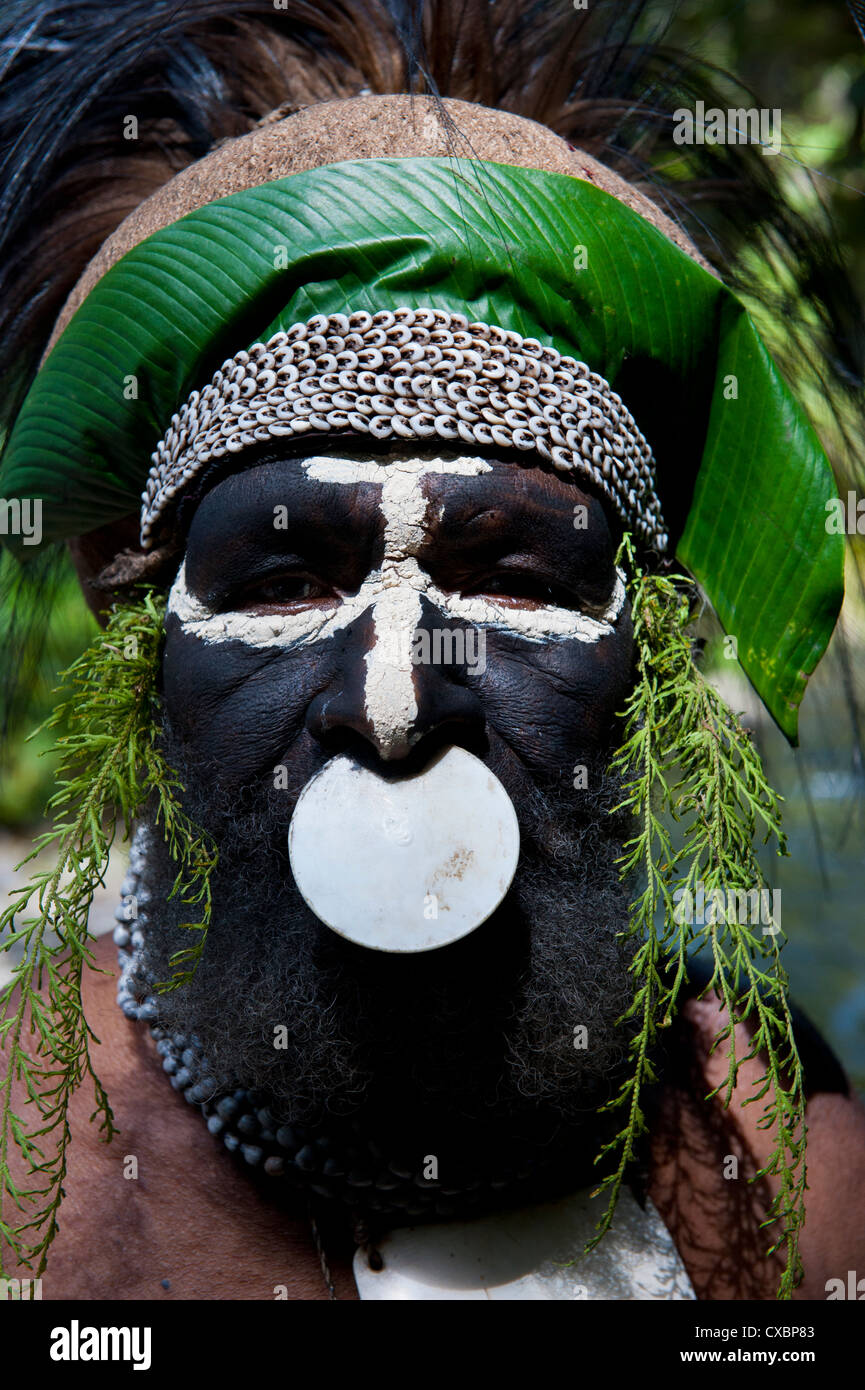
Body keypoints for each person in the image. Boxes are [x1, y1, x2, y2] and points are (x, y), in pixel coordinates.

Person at [1, 0, 864, 1302]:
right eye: (286, 581)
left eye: (507, 575)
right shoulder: (30, 1161)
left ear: (653, 660)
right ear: (146, 651)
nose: (392, 701)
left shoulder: (791, 1162)